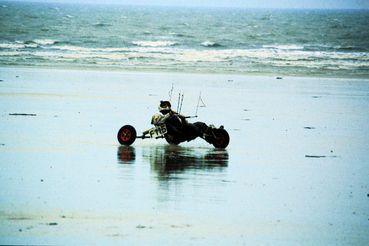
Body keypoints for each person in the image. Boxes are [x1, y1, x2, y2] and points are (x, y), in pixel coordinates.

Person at [150, 100, 215, 144]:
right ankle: (205, 136)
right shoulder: (165, 121)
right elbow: (177, 129)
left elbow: (181, 125)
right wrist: (172, 115)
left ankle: (211, 134)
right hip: (177, 137)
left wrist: (182, 118)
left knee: (200, 124)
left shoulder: (171, 116)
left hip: (180, 133)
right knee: (190, 126)